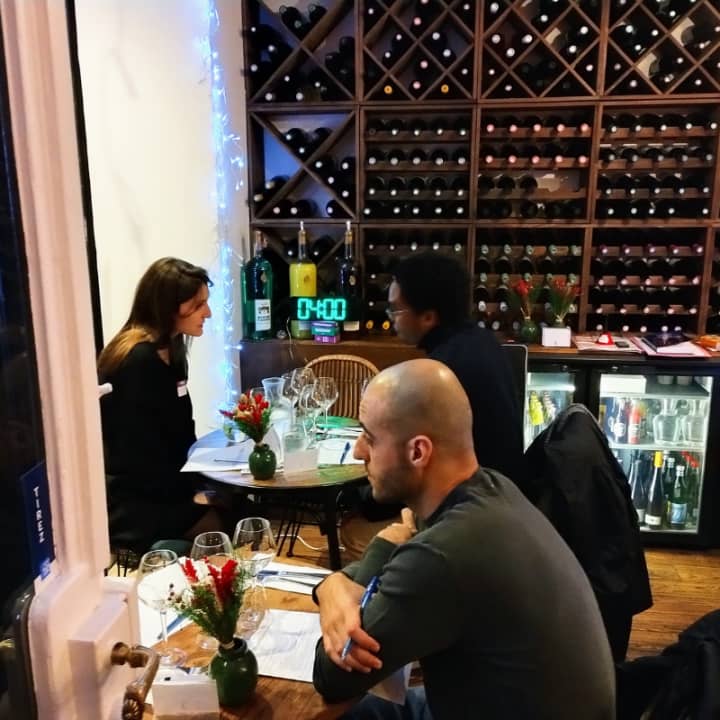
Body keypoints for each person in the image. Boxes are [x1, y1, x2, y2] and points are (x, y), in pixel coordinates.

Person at [313, 359, 616, 720]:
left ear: (418, 452)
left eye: (370, 438)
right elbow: (407, 540)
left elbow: (331, 677)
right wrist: (333, 586)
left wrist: (373, 555)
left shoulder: (442, 556)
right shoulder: (493, 487)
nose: (359, 451)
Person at [340, 252, 525, 560]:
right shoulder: (482, 343)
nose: (391, 317)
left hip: (470, 525)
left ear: (427, 317)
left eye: (396, 309)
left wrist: (358, 500)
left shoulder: (443, 374)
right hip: (501, 500)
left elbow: (414, 468)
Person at [98, 257, 220, 553]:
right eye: (198, 305)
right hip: (135, 504)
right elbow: (138, 453)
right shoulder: (137, 361)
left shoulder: (171, 351)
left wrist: (202, 481)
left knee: (236, 500)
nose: (208, 313)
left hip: (164, 487)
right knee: (224, 526)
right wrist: (193, 493)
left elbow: (180, 431)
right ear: (168, 306)